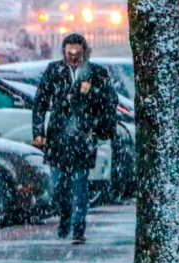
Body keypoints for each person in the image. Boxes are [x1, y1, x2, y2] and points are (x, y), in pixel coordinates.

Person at [32, 33, 118, 244]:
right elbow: (40, 102)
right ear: (63, 52)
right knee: (57, 184)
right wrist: (38, 132)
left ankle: (78, 227)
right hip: (58, 137)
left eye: (77, 53)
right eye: (69, 53)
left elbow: (108, 103)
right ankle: (65, 215)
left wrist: (100, 129)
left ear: (84, 52)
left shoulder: (96, 73)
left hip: (84, 137)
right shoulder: (54, 71)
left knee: (79, 182)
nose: (72, 57)